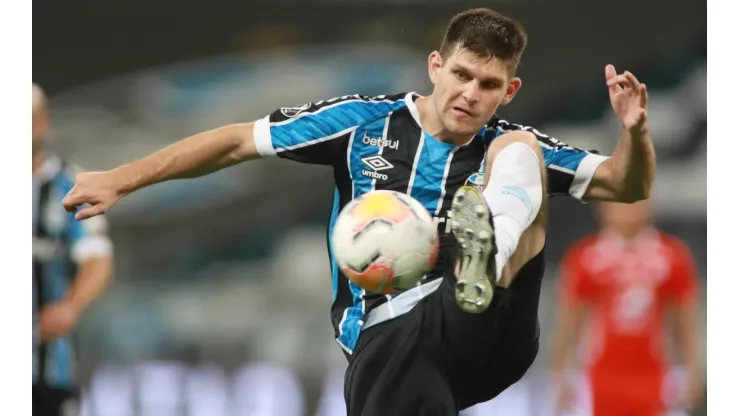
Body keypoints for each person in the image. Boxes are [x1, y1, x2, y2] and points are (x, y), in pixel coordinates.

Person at [61, 8, 655, 415]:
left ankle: (484, 255)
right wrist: (120, 179)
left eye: (490, 84)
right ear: (434, 66)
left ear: (510, 91)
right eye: (462, 75)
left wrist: (636, 132)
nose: (472, 94)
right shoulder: (363, 123)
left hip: (485, 325)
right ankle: (478, 258)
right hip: (390, 334)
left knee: (520, 152)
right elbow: (237, 141)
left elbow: (625, 185)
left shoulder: (507, 136)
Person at [550, 200, 702, 415]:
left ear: (649, 205)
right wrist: (559, 374)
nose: (626, 211)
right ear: (602, 208)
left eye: (634, 202)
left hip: (654, 376)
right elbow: (569, 324)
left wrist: (691, 372)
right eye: (619, 203)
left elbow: (685, 324)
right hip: (600, 377)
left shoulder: (673, 257)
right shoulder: (584, 258)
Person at [32, 83, 115, 416]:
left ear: (43, 122)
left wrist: (69, 306)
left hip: (49, 366)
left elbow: (97, 257)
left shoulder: (70, 183)